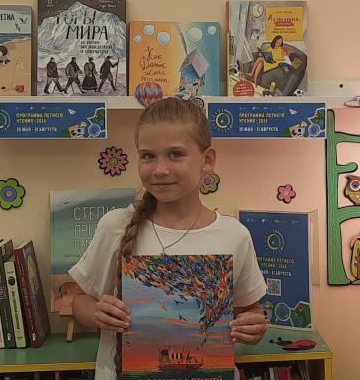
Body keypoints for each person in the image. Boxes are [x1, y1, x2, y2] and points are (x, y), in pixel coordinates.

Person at [69, 98, 267, 380]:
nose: (160, 169)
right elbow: (79, 301)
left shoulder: (235, 235)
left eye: (175, 154)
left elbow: (249, 309)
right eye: (148, 156)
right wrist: (96, 313)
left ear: (207, 160)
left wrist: (254, 325)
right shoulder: (116, 226)